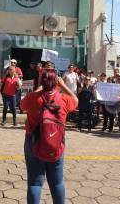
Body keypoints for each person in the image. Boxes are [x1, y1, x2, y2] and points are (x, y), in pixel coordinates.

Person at [20, 68, 78, 204]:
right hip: (56, 143)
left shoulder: (33, 98)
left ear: (42, 81)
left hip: (33, 141)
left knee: (35, 183)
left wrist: (39, 86)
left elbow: (22, 105)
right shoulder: (63, 99)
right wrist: (63, 85)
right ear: (56, 82)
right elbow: (75, 100)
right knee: (57, 182)